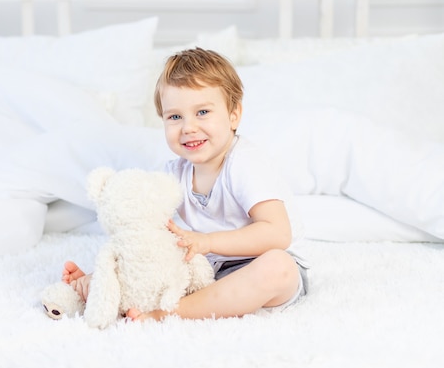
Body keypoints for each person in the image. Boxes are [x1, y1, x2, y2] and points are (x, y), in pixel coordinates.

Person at [63, 47, 308, 321]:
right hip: (207, 272)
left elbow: (277, 234)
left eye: (202, 112)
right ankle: (109, 293)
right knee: (162, 261)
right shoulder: (173, 175)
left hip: (261, 265)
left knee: (278, 268)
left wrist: (208, 241)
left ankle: (169, 314)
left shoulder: (245, 163)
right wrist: (110, 273)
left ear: (233, 115)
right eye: (175, 117)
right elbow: (147, 236)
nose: (188, 127)